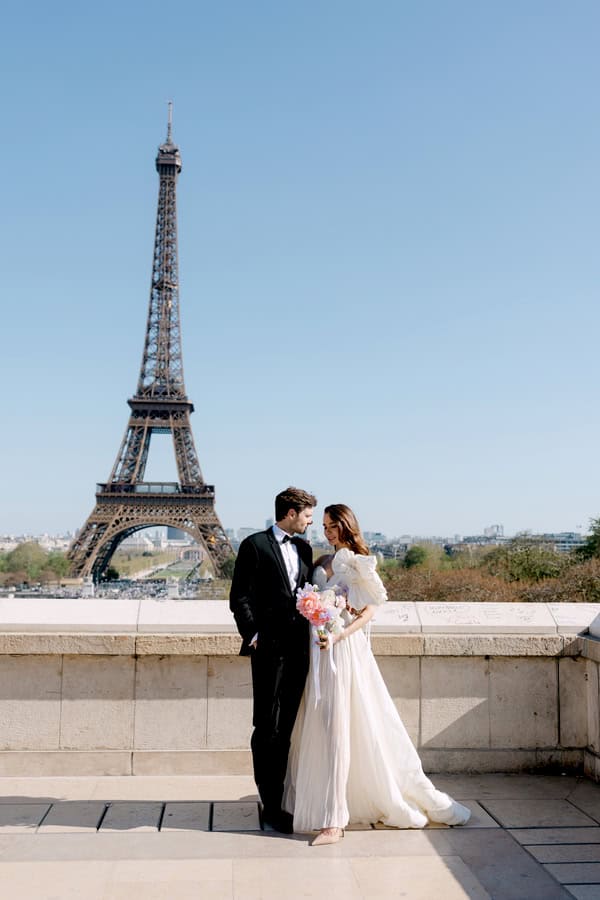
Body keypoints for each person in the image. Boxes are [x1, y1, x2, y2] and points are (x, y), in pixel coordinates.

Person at [284, 503, 471, 845]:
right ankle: (328, 807)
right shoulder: (323, 560)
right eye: (323, 526)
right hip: (319, 653)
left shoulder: (359, 562)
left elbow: (368, 611)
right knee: (324, 729)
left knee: (338, 730)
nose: (327, 532)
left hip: (342, 652)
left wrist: (339, 634)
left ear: (346, 526)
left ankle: (334, 820)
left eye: (332, 526)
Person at [230, 486, 317, 833]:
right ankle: (269, 802)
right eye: (307, 515)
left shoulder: (305, 549)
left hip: (299, 650)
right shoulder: (254, 545)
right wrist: (254, 637)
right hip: (267, 649)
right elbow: (239, 596)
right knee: (266, 726)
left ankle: (279, 800)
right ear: (291, 513)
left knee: (286, 729)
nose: (310, 522)